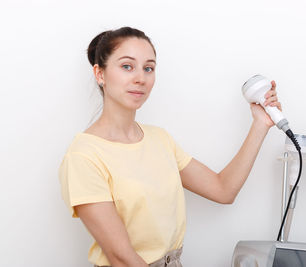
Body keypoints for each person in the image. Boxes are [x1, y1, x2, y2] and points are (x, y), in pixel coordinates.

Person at [58, 26, 282, 267]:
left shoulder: (159, 139)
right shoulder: (84, 156)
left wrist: (260, 125)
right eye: (126, 66)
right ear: (100, 74)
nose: (140, 78)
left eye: (148, 68)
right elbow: (121, 257)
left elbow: (223, 189)